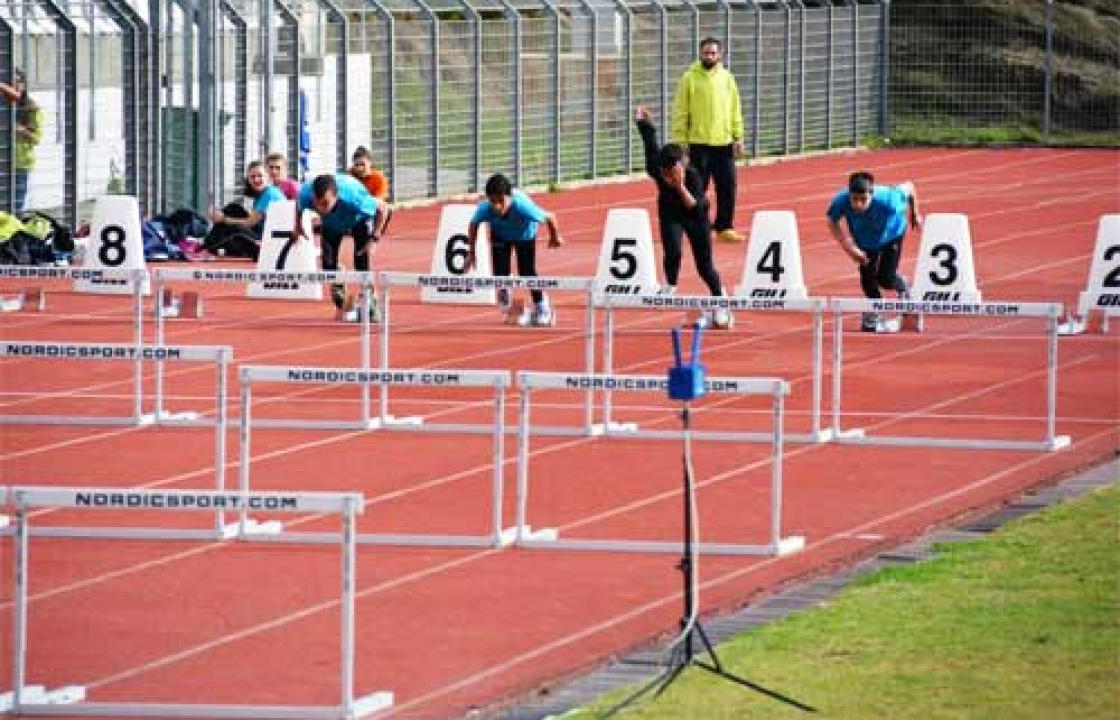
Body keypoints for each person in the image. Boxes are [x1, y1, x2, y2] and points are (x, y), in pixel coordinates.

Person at [635, 105, 730, 327]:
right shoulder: (656, 168)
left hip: (696, 215)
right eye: (666, 173)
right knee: (673, 250)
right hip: (670, 213)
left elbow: (695, 207)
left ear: (682, 166)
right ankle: (669, 284)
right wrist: (642, 121)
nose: (669, 175)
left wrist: (679, 186)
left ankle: (720, 299)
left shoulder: (693, 176)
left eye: (674, 171)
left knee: (704, 266)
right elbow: (650, 143)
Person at [826, 171, 923, 332]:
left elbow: (910, 187)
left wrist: (915, 214)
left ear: (872, 195)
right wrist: (849, 248)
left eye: (863, 200)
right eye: (854, 200)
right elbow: (831, 222)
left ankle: (903, 286)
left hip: (892, 235)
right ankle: (876, 310)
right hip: (864, 241)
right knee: (867, 280)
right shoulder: (841, 200)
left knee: (885, 278)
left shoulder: (889, 199)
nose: (858, 204)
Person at [465, 173, 563, 327]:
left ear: (509, 197)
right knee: (500, 275)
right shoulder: (484, 208)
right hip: (500, 235)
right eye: (493, 202)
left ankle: (543, 307)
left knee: (527, 272)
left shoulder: (522, 206)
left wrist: (555, 237)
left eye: (501, 201)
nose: (497, 207)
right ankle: (512, 307)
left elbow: (550, 217)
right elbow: (473, 224)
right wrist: (471, 252)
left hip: (524, 234)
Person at [672, 38, 745, 244]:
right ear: (700, 53)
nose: (710, 56)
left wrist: (738, 136)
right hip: (698, 144)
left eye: (713, 53)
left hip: (723, 143)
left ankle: (724, 226)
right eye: (706, 53)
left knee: (728, 186)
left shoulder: (727, 78)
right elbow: (680, 111)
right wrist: (680, 140)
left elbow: (734, 109)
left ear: (720, 55)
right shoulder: (689, 78)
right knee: (696, 188)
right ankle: (693, 225)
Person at [298, 173, 390, 321]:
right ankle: (345, 299)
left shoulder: (355, 199)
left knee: (361, 263)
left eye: (325, 203)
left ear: (336, 196)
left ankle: (371, 301)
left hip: (359, 220)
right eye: (317, 203)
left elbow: (383, 209)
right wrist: (297, 227)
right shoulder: (306, 194)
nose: (320, 208)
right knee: (328, 267)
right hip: (332, 223)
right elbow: (299, 207)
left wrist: (374, 237)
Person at [204, 161, 286, 260]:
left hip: (268, 240)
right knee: (234, 208)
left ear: (267, 177)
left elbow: (250, 223)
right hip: (262, 232)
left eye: (260, 176)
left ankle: (207, 246)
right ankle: (208, 243)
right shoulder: (263, 193)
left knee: (234, 227)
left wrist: (224, 219)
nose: (256, 179)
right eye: (252, 177)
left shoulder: (270, 194)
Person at [0, 69, 44, 214]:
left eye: (17, 81)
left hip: (20, 164)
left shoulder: (32, 108)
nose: (14, 85)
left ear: (24, 85)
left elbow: (37, 138)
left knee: (16, 206)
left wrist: (21, 130)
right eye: (10, 82)